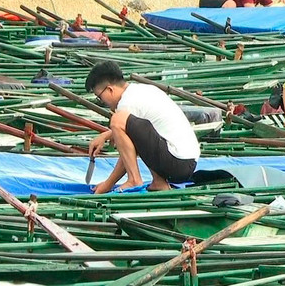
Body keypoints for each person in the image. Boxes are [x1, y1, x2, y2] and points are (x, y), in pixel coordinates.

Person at [85, 61, 200, 194]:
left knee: (117, 120)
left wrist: (108, 184)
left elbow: (127, 153)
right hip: (186, 162)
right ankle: (159, 183)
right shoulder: (141, 90)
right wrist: (105, 136)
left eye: (100, 97)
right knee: (121, 122)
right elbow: (137, 133)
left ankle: (134, 179)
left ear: (110, 89)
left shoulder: (126, 104)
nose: (102, 102)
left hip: (177, 162)